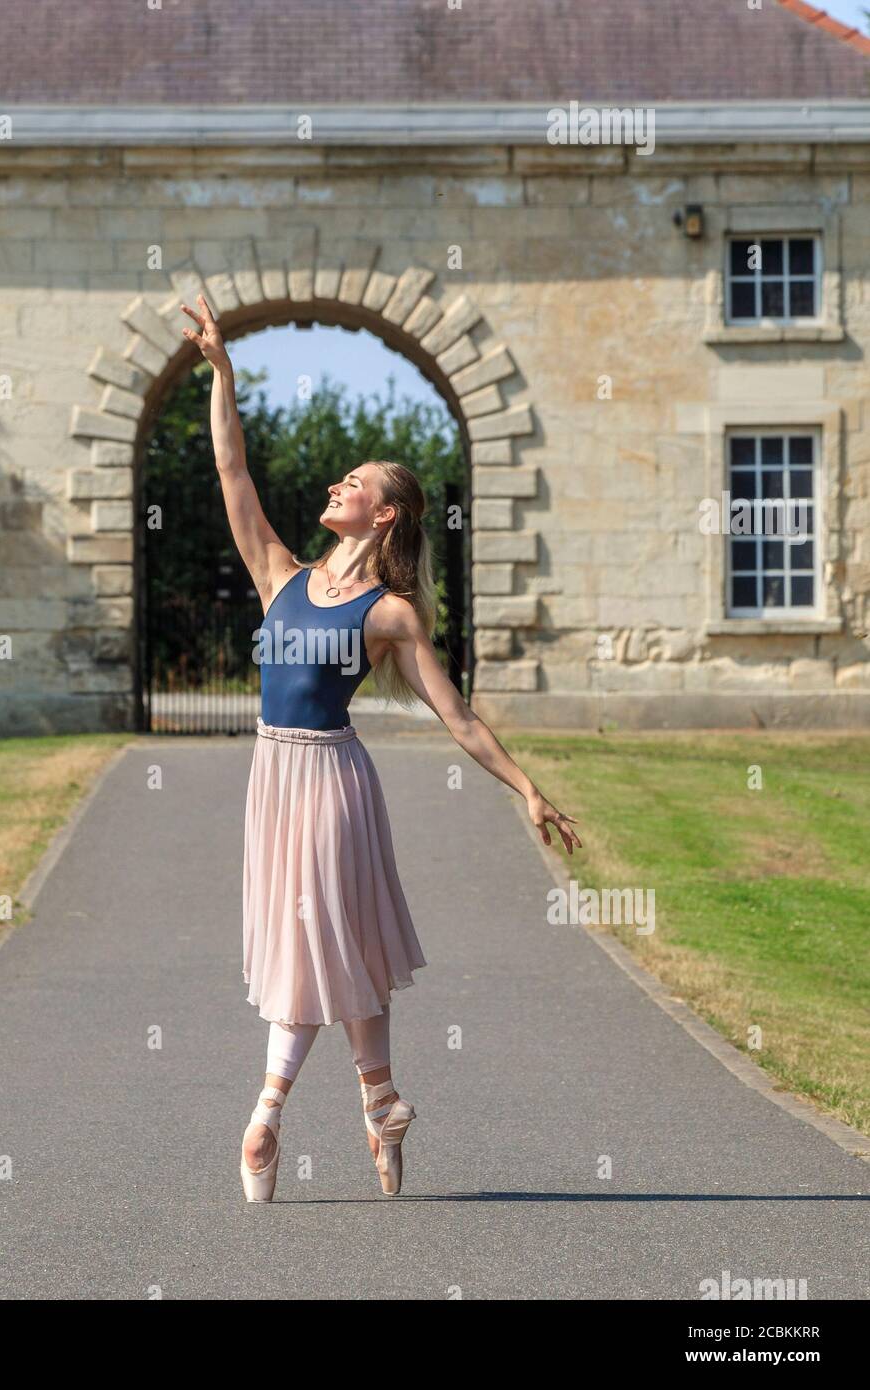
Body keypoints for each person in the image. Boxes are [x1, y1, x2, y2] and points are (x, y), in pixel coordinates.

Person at [180, 294, 582, 1203]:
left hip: (329, 781)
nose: (334, 487)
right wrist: (222, 374)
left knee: (320, 943)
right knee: (331, 947)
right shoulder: (277, 572)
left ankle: (269, 1112)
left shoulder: (389, 615)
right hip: (270, 780)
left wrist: (524, 788)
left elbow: (458, 717)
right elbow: (230, 468)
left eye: (352, 483)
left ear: (387, 514)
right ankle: (382, 1103)